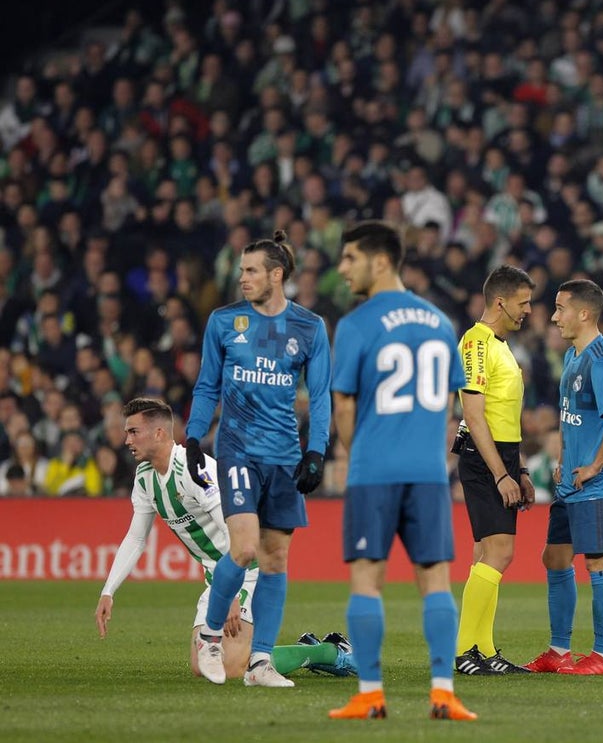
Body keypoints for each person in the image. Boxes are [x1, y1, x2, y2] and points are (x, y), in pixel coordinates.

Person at [326, 221, 475, 722]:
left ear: (381, 261)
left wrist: (360, 450)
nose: (342, 268)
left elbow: (343, 406)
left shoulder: (356, 324)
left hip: (375, 471)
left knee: (367, 579)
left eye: (350, 258)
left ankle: (370, 695)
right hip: (429, 472)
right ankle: (443, 693)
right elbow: (452, 407)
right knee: (435, 579)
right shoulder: (440, 322)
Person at [94, 398, 355, 680]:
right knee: (202, 667)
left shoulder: (195, 470)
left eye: (133, 431)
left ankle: (331, 652)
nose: (126, 440)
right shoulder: (145, 478)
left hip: (247, 570)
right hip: (217, 577)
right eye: (126, 432)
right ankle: (292, 649)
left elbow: (235, 529)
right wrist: (108, 590)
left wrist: (229, 590)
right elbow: (136, 538)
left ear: (158, 433)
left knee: (232, 666)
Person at [185, 229, 332, 687]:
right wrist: (193, 437)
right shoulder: (224, 321)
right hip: (238, 448)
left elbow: (322, 394)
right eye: (241, 269)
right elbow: (208, 384)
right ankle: (211, 637)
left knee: (275, 560)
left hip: (284, 454)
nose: (241, 277)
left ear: (276, 274)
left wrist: (316, 451)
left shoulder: (310, 327)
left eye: (250, 270)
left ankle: (260, 662)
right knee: (245, 548)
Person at [524, 279, 603, 675]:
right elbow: (576, 418)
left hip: (597, 482)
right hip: (571, 481)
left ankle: (602, 656)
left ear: (584, 313)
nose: (553, 316)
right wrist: (567, 458)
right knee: (554, 558)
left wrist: (595, 465)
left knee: (600, 563)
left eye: (560, 308)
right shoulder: (573, 355)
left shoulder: (602, 359)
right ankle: (559, 651)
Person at [453, 265, 536, 675]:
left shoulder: (501, 345)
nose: (529, 311)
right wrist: (501, 473)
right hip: (483, 457)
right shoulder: (477, 343)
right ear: (500, 302)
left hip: (501, 456)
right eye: (524, 303)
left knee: (487, 554)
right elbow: (474, 413)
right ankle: (465, 651)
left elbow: (505, 417)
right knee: (500, 553)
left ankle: (482, 650)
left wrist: (517, 470)